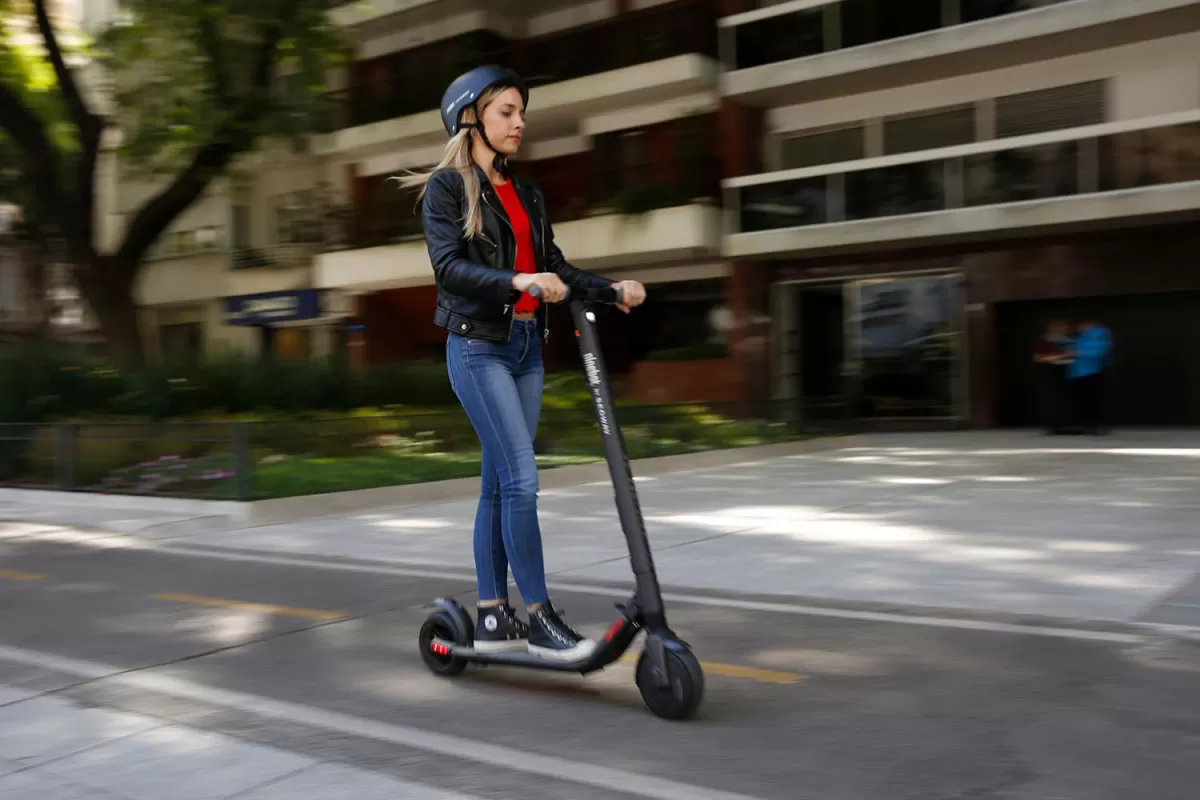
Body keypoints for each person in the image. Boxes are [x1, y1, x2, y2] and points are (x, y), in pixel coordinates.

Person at [399, 66, 647, 661]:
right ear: (471, 117)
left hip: (527, 349)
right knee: (521, 480)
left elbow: (554, 266)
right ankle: (537, 614)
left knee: (497, 484)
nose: (519, 122)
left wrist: (611, 289)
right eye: (506, 111)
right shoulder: (447, 189)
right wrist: (517, 280)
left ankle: (491, 614)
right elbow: (450, 269)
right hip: (478, 347)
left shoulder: (527, 194)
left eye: (520, 112)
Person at [1067, 319, 1113, 435]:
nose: (1080, 327)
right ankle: (1088, 425)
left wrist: (1079, 352)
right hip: (1081, 372)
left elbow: (1099, 351)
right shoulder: (1083, 336)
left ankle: (1095, 425)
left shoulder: (1098, 335)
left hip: (1093, 372)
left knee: (1092, 400)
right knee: (1085, 400)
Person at [1032, 319, 1073, 434]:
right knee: (1052, 399)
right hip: (1049, 372)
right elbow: (1038, 358)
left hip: (1065, 371)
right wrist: (1060, 357)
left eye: (1064, 327)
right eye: (1059, 327)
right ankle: (1054, 426)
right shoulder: (1044, 341)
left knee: (1065, 398)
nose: (1062, 330)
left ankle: (1065, 424)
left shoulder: (1067, 341)